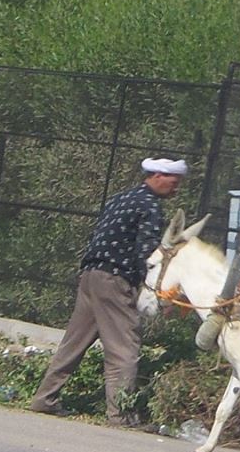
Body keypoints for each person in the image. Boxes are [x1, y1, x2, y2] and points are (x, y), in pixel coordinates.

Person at [31, 157, 187, 427]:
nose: (176, 189)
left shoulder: (120, 198)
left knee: (73, 343)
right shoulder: (150, 206)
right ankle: (121, 415)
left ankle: (44, 398)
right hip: (115, 280)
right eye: (173, 183)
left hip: (91, 275)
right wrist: (157, 289)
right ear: (157, 176)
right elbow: (146, 252)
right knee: (124, 348)